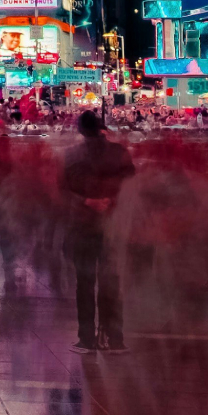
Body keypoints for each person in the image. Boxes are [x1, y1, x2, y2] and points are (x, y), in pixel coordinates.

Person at [60, 109, 135, 354]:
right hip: (112, 224)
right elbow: (131, 184)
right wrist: (111, 201)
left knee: (84, 283)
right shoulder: (119, 152)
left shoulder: (72, 154)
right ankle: (114, 338)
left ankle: (87, 338)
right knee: (111, 281)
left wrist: (87, 201)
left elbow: (62, 190)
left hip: (83, 226)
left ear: (81, 130)